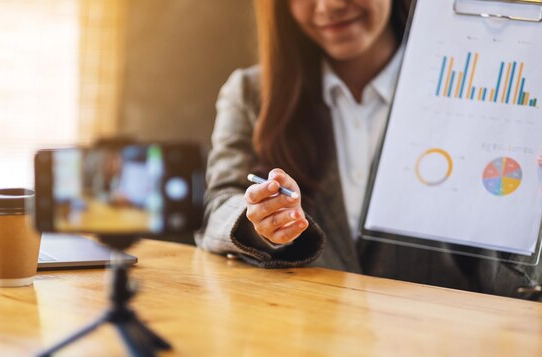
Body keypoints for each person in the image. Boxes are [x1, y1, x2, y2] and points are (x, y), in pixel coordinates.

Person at [195, 0, 542, 300]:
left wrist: (530, 214)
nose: (329, 6)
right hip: (306, 345)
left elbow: (504, 276)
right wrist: (258, 220)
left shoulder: (479, 89)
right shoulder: (250, 93)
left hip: (439, 350)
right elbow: (219, 206)